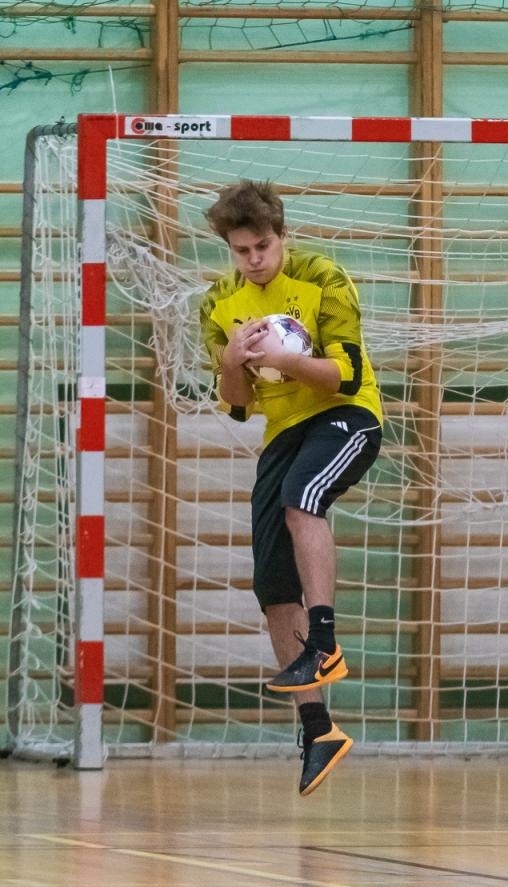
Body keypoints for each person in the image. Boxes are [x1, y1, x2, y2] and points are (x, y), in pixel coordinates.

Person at [199, 179, 384, 796]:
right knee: (273, 584)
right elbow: (237, 407)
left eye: (263, 245)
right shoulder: (219, 304)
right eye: (242, 249)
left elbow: (344, 374)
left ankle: (325, 641)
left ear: (282, 235)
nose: (255, 259)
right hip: (282, 432)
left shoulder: (322, 278)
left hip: (346, 415)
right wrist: (233, 361)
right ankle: (318, 728)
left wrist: (283, 353)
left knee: (304, 496)